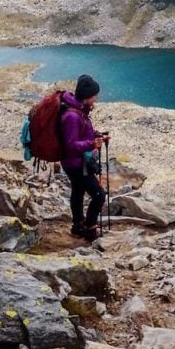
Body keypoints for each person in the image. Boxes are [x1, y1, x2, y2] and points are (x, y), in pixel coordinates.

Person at [60, 74, 109, 242]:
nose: (96, 98)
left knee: (78, 191)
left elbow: (83, 132)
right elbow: (71, 145)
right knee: (98, 194)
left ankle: (77, 226)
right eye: (95, 95)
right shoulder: (72, 116)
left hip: (75, 162)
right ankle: (89, 227)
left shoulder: (79, 110)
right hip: (75, 163)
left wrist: (97, 135)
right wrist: (92, 143)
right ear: (87, 96)